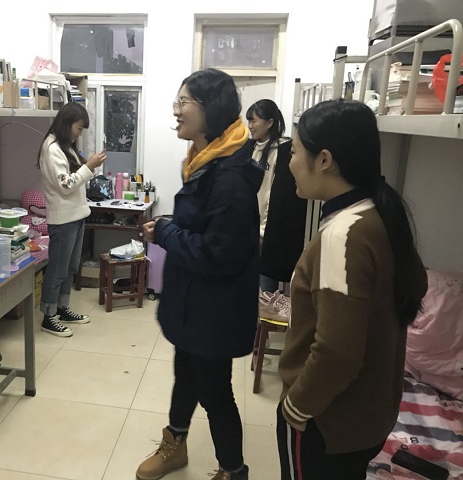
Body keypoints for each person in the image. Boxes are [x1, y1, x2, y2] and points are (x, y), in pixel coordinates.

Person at [277, 99, 428, 479]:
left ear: (324, 160)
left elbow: (336, 352)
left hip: (327, 422)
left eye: (294, 151)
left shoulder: (343, 235)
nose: (289, 163)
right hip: (367, 418)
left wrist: (296, 407)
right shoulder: (379, 215)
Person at [136, 68, 264, 480]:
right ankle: (175, 444)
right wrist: (172, 228)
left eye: (184, 102)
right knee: (186, 376)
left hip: (214, 310)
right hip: (195, 303)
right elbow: (203, 228)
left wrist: (166, 232)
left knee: (215, 392)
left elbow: (218, 254)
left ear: (211, 110)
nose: (176, 111)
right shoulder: (204, 163)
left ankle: (233, 470)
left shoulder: (229, 178)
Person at [36, 102, 106, 337]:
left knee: (70, 267)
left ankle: (62, 308)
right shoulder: (51, 148)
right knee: (58, 269)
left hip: (76, 215)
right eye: (79, 128)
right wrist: (89, 166)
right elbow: (66, 185)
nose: (79, 133)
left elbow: (75, 177)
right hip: (63, 219)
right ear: (67, 124)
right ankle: (48, 316)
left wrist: (88, 165)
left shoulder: (66, 147)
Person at [246, 99, 307, 294]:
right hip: (248, 226)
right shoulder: (250, 148)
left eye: (254, 120)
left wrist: (263, 231)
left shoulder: (283, 149)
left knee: (266, 287)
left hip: (268, 229)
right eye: (249, 121)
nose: (250, 126)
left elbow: (276, 196)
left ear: (270, 122)